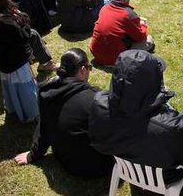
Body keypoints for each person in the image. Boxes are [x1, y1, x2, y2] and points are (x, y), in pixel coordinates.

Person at [88, 50, 183, 185]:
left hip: (127, 168)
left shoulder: (98, 104)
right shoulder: (171, 128)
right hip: (165, 177)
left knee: (172, 114)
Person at [14, 48, 114, 177]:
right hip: (94, 166)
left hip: (64, 159)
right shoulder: (94, 98)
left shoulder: (46, 91)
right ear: (83, 69)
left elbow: (44, 127)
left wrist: (32, 155)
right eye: (89, 67)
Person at [0, 0, 56, 122]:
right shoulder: (6, 21)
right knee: (25, 87)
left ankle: (14, 108)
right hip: (16, 61)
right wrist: (21, 18)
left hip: (2, 61)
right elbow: (25, 35)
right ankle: (32, 113)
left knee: (11, 88)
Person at [89, 0, 153, 65]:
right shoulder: (129, 15)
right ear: (128, 0)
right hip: (115, 58)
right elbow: (141, 37)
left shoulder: (104, 8)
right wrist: (143, 25)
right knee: (149, 40)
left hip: (96, 53)